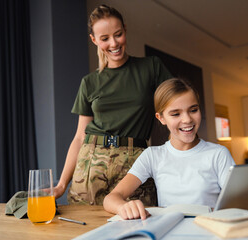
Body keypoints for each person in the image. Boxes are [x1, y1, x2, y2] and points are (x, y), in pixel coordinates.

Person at [103, 78, 248, 220]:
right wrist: (124, 206)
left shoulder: (218, 154)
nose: (187, 119)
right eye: (175, 114)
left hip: (213, 231)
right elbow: (111, 199)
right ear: (161, 118)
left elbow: (243, 203)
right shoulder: (153, 155)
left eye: (193, 110)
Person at [53, 4, 173, 206]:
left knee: (138, 225)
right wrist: (62, 184)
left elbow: (175, 105)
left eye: (118, 34)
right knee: (85, 232)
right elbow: (80, 136)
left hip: (135, 164)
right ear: (94, 40)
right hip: (90, 163)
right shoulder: (89, 82)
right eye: (105, 38)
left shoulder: (151, 67)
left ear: (125, 30)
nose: (114, 43)